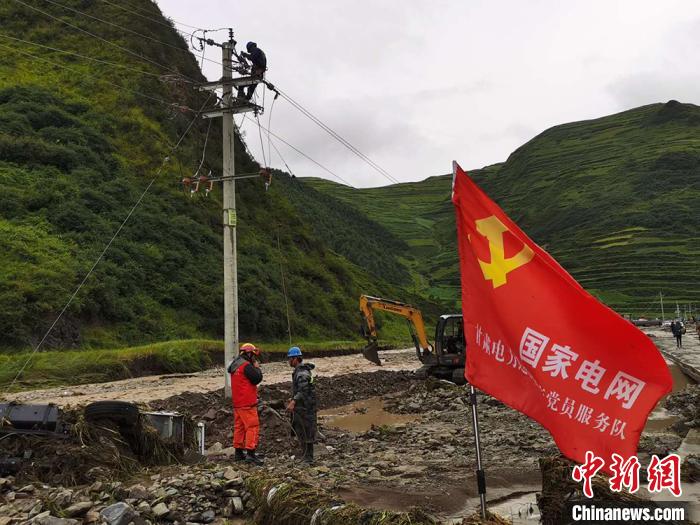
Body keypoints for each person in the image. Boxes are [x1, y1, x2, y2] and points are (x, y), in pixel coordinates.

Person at [227, 343, 264, 465]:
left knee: (239, 427)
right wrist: (257, 368)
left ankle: (238, 452)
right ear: (249, 353)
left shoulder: (234, 365)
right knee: (252, 427)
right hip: (247, 403)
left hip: (237, 403)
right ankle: (250, 454)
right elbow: (257, 378)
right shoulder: (246, 366)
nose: (254, 358)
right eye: (253, 355)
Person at [285, 346, 317, 464]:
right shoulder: (300, 371)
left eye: (290, 359)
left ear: (296, 359)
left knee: (306, 431)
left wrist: (294, 401)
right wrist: (293, 399)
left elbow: (303, 390)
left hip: (306, 407)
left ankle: (308, 458)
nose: (288, 361)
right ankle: (305, 456)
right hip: (303, 406)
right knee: (301, 431)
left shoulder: (302, 373)